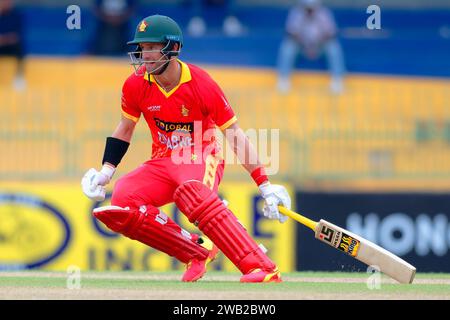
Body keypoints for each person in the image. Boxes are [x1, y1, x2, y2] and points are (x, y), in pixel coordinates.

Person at [81, 15, 291, 283]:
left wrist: (264, 185)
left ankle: (262, 267)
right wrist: (105, 172)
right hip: (163, 161)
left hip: (202, 155)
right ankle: (196, 251)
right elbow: (125, 128)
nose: (144, 55)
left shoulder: (202, 84)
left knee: (192, 190)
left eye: (151, 47)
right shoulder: (134, 84)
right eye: (142, 48)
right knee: (123, 198)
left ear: (173, 48)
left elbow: (234, 135)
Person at [276, 0, 345, 94]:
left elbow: (331, 34)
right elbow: (291, 33)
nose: (309, 11)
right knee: (288, 46)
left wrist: (316, 44)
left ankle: (337, 81)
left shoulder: (324, 13)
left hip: (320, 46)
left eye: (311, 8)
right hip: (301, 46)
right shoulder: (296, 13)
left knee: (333, 47)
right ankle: (283, 79)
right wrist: (305, 45)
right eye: (307, 8)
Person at [0, 0, 25, 90]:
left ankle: (19, 77)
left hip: (11, 46)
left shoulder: (16, 15)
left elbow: (16, 36)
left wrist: (4, 39)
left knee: (20, 48)